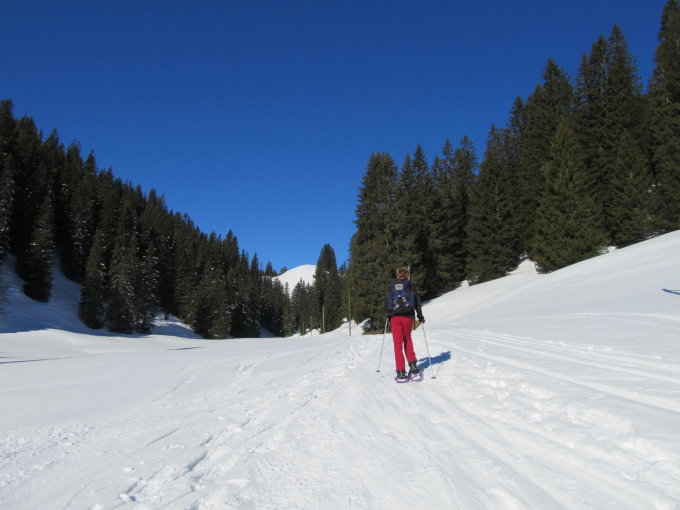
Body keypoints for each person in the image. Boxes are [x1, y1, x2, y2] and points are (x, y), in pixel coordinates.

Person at [385, 266, 425, 382]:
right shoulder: (410, 286)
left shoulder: (392, 286)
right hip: (408, 316)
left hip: (395, 318)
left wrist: (389, 314)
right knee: (407, 339)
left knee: (397, 344)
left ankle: (401, 372)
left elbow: (387, 301)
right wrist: (420, 315)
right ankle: (413, 367)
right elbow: (417, 301)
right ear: (407, 274)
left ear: (397, 274)